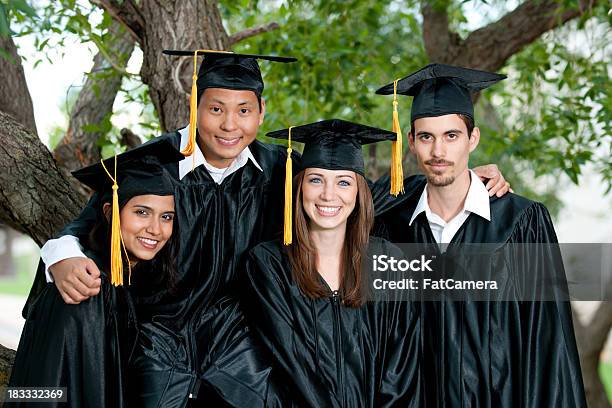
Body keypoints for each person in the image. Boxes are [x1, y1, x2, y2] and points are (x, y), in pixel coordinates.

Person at [31, 50, 507, 406]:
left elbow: (356, 195)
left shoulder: (280, 170)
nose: (229, 125)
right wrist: (61, 252)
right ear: (195, 107)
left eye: (244, 110)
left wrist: (457, 177)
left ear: (261, 112)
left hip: (238, 333)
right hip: (158, 331)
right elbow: (90, 222)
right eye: (216, 109)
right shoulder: (155, 164)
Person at [374, 63, 586, 407]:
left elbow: (548, 341)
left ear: (473, 138)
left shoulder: (521, 223)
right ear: (411, 142)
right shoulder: (391, 226)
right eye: (426, 137)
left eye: (451, 136)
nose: (438, 152)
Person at [243, 119, 422, 407]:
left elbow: (401, 369)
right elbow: (291, 366)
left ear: (358, 192)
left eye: (343, 182)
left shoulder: (388, 262)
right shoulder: (269, 265)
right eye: (316, 180)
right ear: (299, 187)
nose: (328, 194)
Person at [9, 140, 182, 407]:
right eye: (142, 212)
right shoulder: (83, 285)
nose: (155, 229)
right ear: (110, 213)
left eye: (166, 217)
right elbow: (41, 391)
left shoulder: (130, 280)